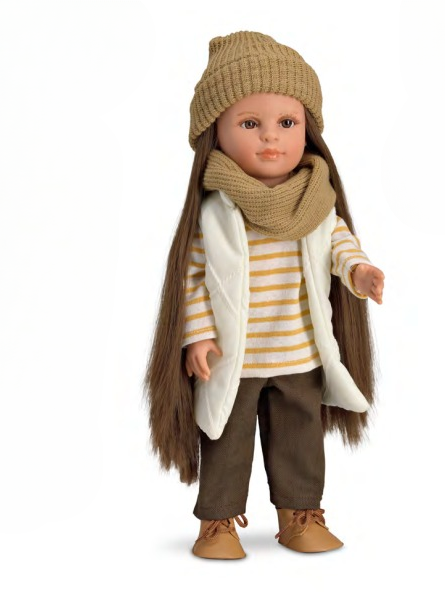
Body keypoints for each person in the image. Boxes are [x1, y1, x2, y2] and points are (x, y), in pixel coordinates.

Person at [144, 31, 385, 560]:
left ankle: (300, 515)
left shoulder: (315, 201)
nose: (271, 137)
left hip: (299, 352)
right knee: (225, 441)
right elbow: (193, 277)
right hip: (235, 358)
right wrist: (197, 337)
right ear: (215, 132)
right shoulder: (216, 209)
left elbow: (338, 243)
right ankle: (218, 523)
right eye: (250, 124)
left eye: (287, 123)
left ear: (308, 130)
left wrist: (359, 271)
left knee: (300, 439)